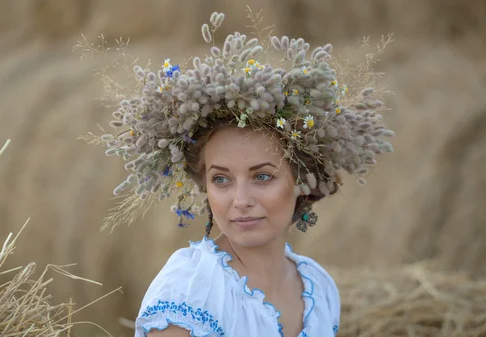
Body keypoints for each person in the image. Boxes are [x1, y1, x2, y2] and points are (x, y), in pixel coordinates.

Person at [90, 11, 394, 337]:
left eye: (262, 176)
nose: (240, 201)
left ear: (302, 180)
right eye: (221, 179)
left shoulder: (319, 289)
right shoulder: (190, 293)